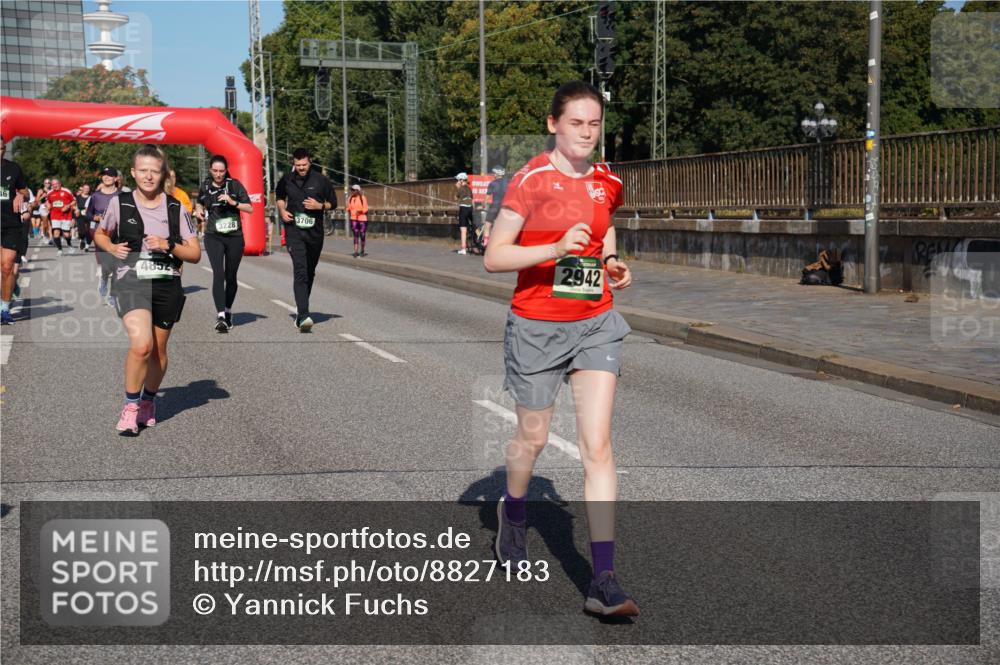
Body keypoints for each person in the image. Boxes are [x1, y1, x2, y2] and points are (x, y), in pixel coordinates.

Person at [483, 81, 637, 618]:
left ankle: (603, 580)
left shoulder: (606, 181)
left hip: (595, 321)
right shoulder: (529, 181)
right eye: (576, 123)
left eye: (594, 124)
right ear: (554, 124)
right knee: (535, 437)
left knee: (599, 446)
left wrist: (612, 261)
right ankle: (515, 511)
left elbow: (604, 230)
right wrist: (552, 247)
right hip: (536, 325)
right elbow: (494, 257)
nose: (587, 133)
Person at [93, 144, 200, 434]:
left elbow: (194, 253)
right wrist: (111, 247)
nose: (149, 177)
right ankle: (130, 408)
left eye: (154, 171)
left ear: (163, 174)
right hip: (130, 279)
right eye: (143, 171)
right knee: (142, 346)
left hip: (166, 282)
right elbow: (100, 234)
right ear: (132, 173)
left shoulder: (176, 206)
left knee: (158, 352)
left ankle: (148, 401)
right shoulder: (120, 202)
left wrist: (169, 245)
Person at [275, 147, 336, 332]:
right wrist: (282, 210)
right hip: (294, 232)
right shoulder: (286, 179)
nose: (301, 168)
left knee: (310, 271)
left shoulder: (321, 180)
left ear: (310, 162)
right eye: (298, 165)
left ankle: (302, 309)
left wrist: (320, 205)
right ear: (293, 163)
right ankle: (303, 316)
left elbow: (333, 203)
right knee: (300, 270)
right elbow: (279, 197)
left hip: (315, 234)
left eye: (304, 165)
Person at [195, 155, 252, 333]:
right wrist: (198, 211)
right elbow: (199, 203)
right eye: (215, 171)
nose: (218, 174)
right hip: (214, 236)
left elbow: (250, 208)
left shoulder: (234, 185)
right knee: (218, 274)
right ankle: (220, 316)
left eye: (221, 171)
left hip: (234, 236)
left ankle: (227, 311)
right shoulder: (205, 185)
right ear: (210, 170)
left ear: (226, 170)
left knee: (231, 276)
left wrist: (233, 202)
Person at [1, 136, 29, 325]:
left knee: (7, 265)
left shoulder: (13, 168)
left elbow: (25, 190)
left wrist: (20, 194)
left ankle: (4, 308)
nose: (0, 151)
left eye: (1, 148)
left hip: (10, 223)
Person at [88, 167, 122, 305]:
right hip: (101, 233)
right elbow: (88, 214)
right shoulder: (96, 196)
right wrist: (95, 217)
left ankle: (112, 295)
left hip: (117, 233)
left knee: (117, 267)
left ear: (116, 178)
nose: (106, 177)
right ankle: (103, 278)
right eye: (104, 175)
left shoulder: (121, 195)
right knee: (106, 265)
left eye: (110, 175)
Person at [45, 178, 77, 256]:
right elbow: (47, 201)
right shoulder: (50, 193)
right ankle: (60, 249)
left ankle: (69, 245)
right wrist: (48, 205)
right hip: (54, 215)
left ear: (60, 183)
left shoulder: (66, 191)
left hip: (66, 215)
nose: (54, 186)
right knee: (56, 233)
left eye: (55, 184)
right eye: (52, 184)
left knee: (67, 234)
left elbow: (74, 201)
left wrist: (68, 206)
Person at [483, 165, 510, 248]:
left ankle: (486, 243)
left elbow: (487, 198)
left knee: (487, 225)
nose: (493, 175)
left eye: (494, 173)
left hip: (494, 206)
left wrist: (483, 205)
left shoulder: (492, 183)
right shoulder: (509, 182)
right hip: (505, 207)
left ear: (497, 174)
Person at [347, 184, 369, 257]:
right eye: (351, 190)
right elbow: (348, 208)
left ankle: (362, 250)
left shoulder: (363, 198)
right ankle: (356, 251)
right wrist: (347, 208)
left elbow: (366, 209)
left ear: (357, 191)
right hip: (353, 218)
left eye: (353, 190)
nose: (352, 191)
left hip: (362, 218)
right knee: (355, 234)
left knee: (362, 234)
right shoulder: (350, 198)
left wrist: (360, 211)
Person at [455, 172, 473, 255]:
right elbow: (472, 199)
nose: (457, 182)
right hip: (471, 208)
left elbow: (455, 198)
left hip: (464, 209)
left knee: (463, 229)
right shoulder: (469, 188)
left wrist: (457, 187)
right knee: (474, 226)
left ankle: (463, 249)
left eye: (458, 180)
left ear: (461, 180)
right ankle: (482, 242)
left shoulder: (460, 188)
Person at [75, 183, 92, 252]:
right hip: (80, 215)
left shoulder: (92, 197)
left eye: (88, 189)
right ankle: (82, 240)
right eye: (85, 188)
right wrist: (76, 210)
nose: (86, 190)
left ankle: (87, 246)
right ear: (82, 189)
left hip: (89, 215)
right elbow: (75, 205)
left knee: (89, 231)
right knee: (81, 231)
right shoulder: (78, 197)